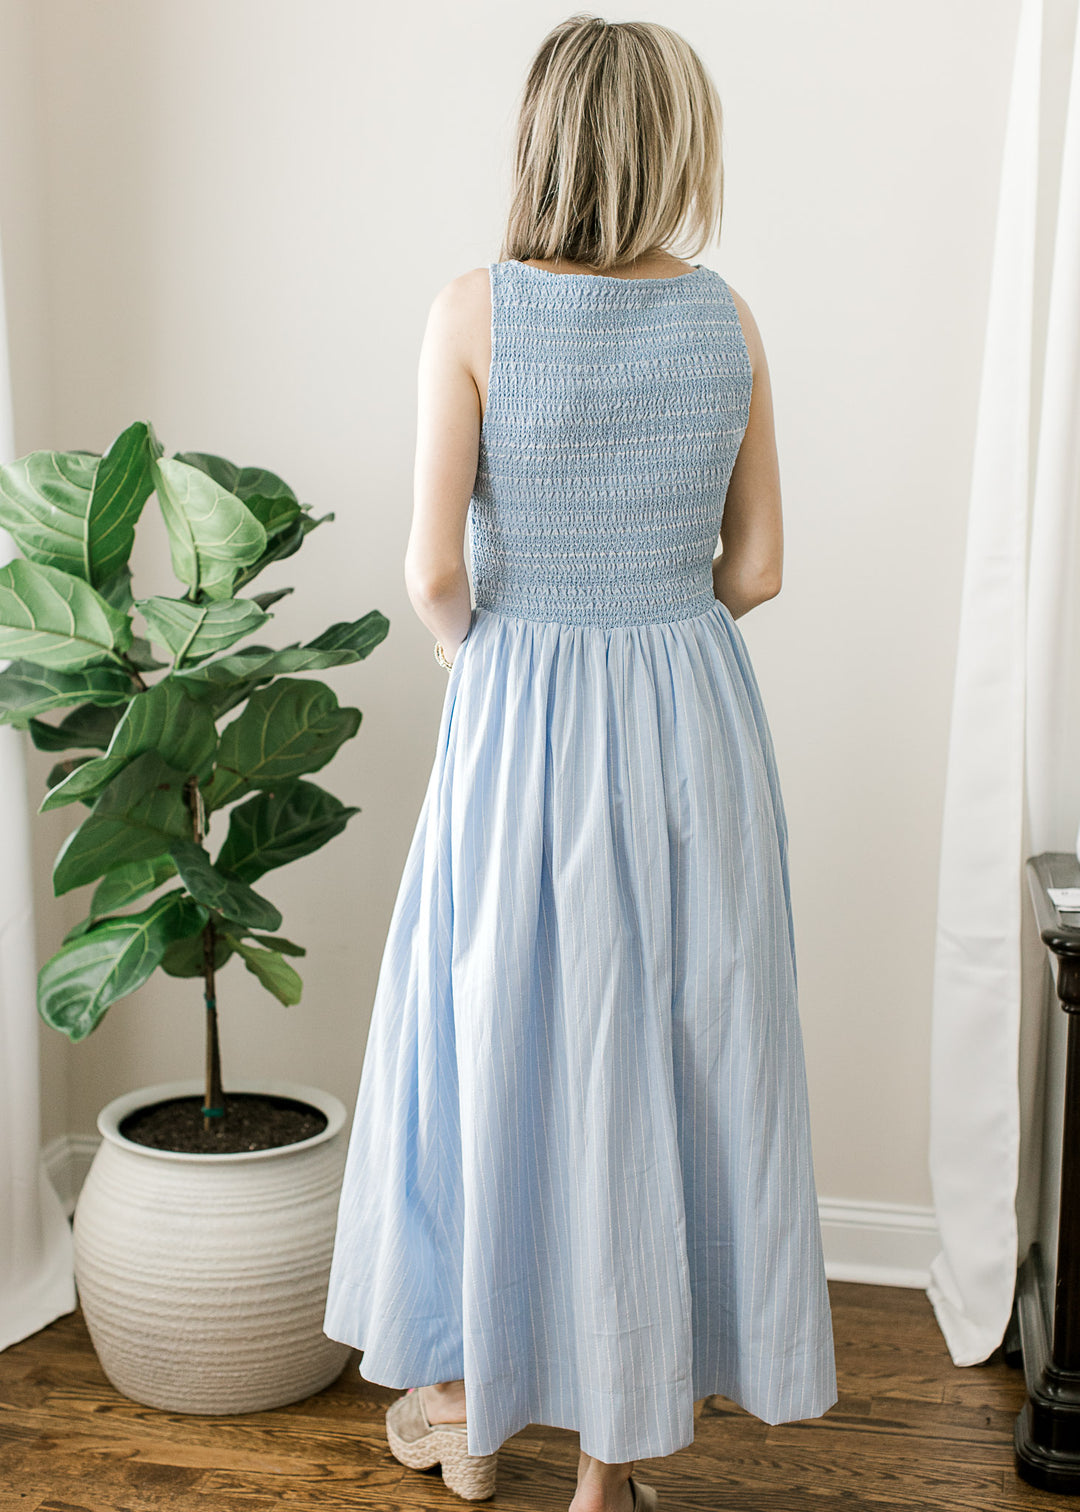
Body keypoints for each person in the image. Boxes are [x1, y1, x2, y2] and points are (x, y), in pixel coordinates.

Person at [322, 12, 837, 1511]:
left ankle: (472, 1420)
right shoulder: (727, 318)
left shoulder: (471, 311)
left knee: (497, 1048)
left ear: (541, 137)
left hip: (517, 725)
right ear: (678, 144)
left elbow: (430, 570)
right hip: (691, 724)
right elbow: (762, 568)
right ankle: (607, 1481)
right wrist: (655, 618)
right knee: (659, 1061)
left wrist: (489, 649)